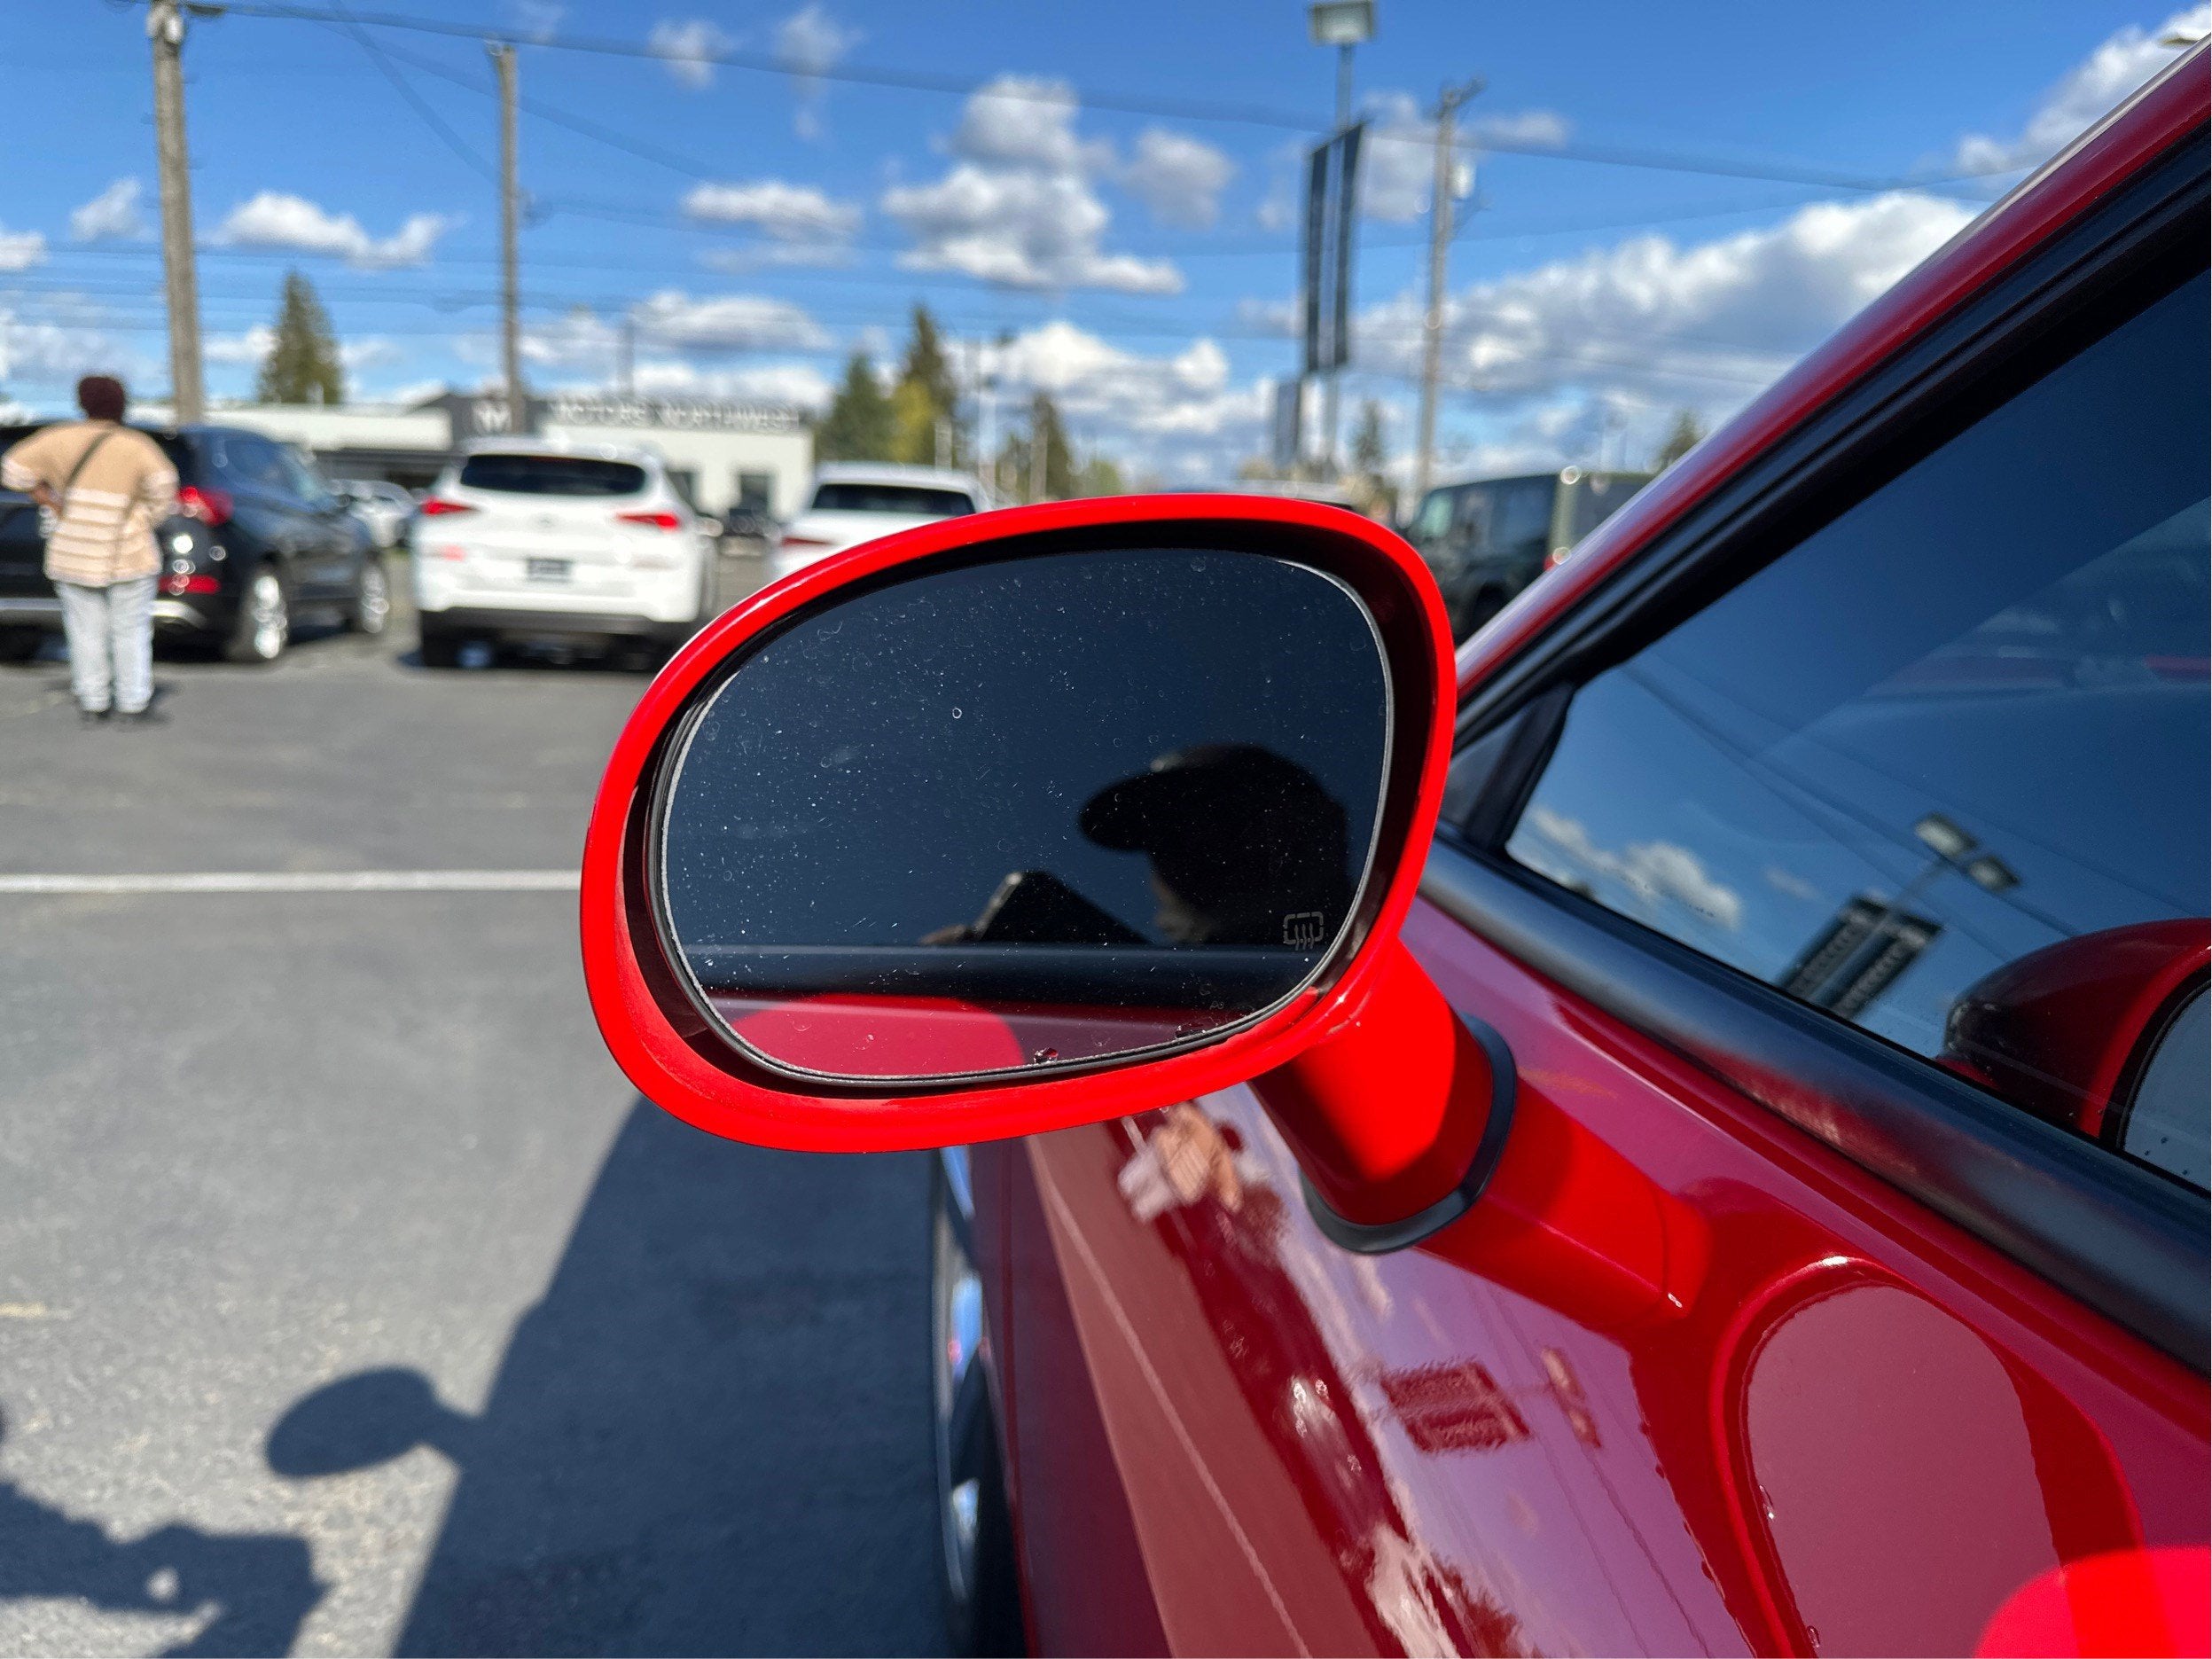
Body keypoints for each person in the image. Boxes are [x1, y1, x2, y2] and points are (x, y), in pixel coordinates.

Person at [0, 376, 179, 724]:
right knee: (130, 630)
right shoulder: (137, 445)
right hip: (128, 552)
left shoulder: (56, 439)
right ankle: (133, 703)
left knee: (84, 629)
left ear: (82, 403)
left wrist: (50, 500)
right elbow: (163, 486)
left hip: (73, 549)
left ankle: (93, 702)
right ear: (121, 403)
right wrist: (145, 518)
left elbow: (12, 470)